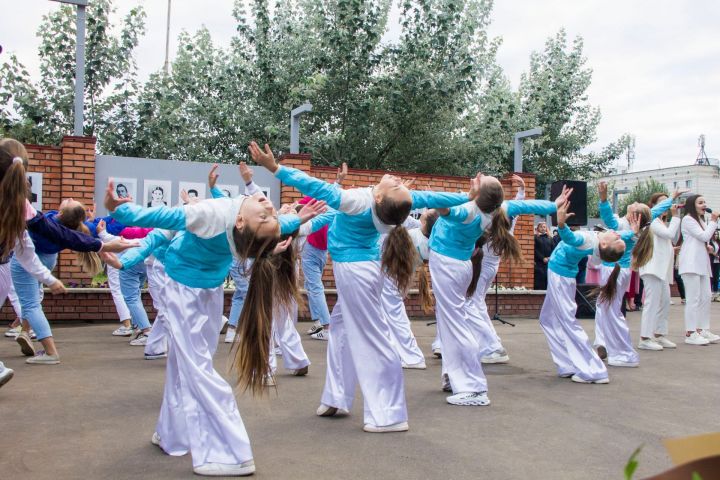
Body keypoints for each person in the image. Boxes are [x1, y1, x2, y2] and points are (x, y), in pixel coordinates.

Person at [106, 169, 323, 476]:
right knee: (184, 365)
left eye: (265, 215)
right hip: (203, 290)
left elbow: (163, 219)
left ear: (240, 223)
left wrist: (121, 209)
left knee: (197, 368)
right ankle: (173, 433)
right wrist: (299, 219)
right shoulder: (242, 218)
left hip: (187, 293)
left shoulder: (212, 213)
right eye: (269, 212)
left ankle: (230, 452)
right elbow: (278, 225)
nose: (270, 208)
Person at [250, 141, 475, 431]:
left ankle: (389, 414)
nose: (394, 180)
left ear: (380, 198)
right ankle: (337, 396)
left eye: (395, 187)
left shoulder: (359, 201)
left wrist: (275, 168)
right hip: (363, 269)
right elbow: (431, 195)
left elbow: (315, 186)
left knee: (373, 340)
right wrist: (465, 197)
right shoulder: (387, 203)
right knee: (341, 332)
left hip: (356, 272)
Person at [429, 176, 563, 405]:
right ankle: (454, 376)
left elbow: (440, 207)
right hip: (460, 265)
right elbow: (530, 205)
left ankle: (474, 387)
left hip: (451, 266)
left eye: (479, 181)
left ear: (479, 196)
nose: (474, 178)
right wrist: (554, 204)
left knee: (457, 323)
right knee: (451, 322)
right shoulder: (498, 208)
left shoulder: (469, 211)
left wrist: (461, 196)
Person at [540, 198, 639, 384]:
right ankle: (567, 364)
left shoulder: (588, 240)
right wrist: (631, 232)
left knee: (568, 323)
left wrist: (561, 224)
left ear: (603, 245)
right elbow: (622, 235)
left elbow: (571, 238)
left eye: (616, 238)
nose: (617, 235)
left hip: (560, 277)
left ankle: (593, 370)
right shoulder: (604, 241)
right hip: (561, 274)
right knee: (547, 320)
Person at [594, 182, 674, 366]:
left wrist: (604, 199)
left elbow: (609, 220)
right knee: (606, 308)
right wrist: (672, 197)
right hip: (619, 271)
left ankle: (616, 348)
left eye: (636, 205)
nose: (635, 201)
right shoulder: (638, 222)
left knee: (609, 309)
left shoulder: (625, 225)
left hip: (614, 270)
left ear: (635, 216)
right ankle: (603, 343)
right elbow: (656, 210)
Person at [304, 162, 347, 341]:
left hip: (312, 249)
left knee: (314, 287)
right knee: (313, 286)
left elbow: (295, 210)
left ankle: (327, 326)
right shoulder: (330, 204)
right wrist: (338, 181)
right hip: (322, 250)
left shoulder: (310, 200)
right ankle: (319, 322)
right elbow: (334, 195)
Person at [638, 193, 681, 351]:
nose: (667, 206)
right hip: (652, 268)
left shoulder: (661, 223)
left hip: (661, 269)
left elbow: (668, 239)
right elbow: (669, 235)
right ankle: (645, 337)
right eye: (662, 203)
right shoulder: (652, 221)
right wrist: (676, 217)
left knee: (664, 302)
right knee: (652, 302)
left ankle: (660, 333)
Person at [678, 194, 720, 345]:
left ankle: (702, 329)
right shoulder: (688, 219)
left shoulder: (700, 220)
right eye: (700, 202)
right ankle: (690, 332)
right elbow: (704, 236)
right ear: (692, 205)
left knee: (705, 297)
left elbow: (702, 239)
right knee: (693, 299)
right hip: (690, 264)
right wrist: (714, 221)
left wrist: (708, 247)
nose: (704, 205)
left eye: (705, 202)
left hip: (701, 263)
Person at [534, 222, 554, 290]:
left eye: (544, 227)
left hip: (548, 263)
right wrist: (542, 258)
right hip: (539, 263)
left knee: (548, 279)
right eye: (541, 227)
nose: (543, 228)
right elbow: (535, 250)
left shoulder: (550, 238)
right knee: (540, 280)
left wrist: (550, 257)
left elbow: (553, 249)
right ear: (538, 228)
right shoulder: (535, 238)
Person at [709, 230, 720, 301]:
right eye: (714, 234)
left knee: (716, 277)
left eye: (717, 234)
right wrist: (715, 254)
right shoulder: (709, 242)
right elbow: (709, 251)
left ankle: (716, 294)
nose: (716, 235)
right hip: (711, 261)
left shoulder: (718, 242)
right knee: (711, 277)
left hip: (717, 262)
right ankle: (711, 294)